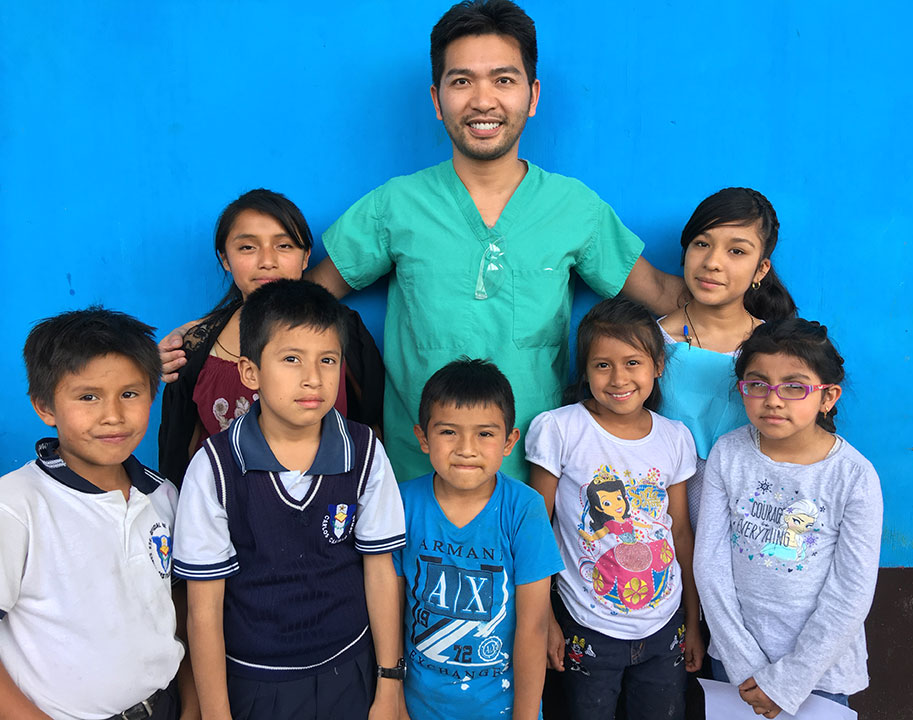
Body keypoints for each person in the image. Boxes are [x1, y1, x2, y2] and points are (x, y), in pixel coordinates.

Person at [301, 0, 685, 482]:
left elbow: (668, 298)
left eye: (504, 80)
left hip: (532, 484)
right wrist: (210, 336)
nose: (483, 100)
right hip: (415, 482)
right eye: (462, 81)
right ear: (437, 100)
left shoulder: (574, 208)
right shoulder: (395, 206)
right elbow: (303, 302)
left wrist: (754, 302)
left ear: (533, 95)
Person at [171, 279, 406, 720]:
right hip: (253, 681)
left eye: (327, 360)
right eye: (291, 359)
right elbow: (203, 609)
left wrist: (389, 684)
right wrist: (216, 714)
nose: (312, 378)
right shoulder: (215, 466)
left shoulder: (365, 451)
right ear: (250, 372)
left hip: (350, 670)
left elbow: (380, 571)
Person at [0, 308, 195, 720]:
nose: (113, 415)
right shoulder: (16, 505)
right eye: (88, 397)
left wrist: (192, 705)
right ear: (45, 406)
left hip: (165, 706)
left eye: (130, 393)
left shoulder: (163, 495)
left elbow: (180, 606)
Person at [525, 297, 703, 720]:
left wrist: (693, 621)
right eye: (602, 364)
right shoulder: (560, 430)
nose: (618, 377)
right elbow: (535, 526)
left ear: (658, 365)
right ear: (584, 370)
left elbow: (679, 534)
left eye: (633, 362)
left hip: (665, 627)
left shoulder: (675, 438)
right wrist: (545, 620)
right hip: (586, 626)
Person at [694, 319, 882, 717]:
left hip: (819, 675)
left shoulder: (853, 475)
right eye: (757, 384)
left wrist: (788, 680)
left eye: (794, 387)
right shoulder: (728, 455)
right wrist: (746, 667)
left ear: (828, 396)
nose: (773, 400)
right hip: (735, 667)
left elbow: (851, 592)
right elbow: (709, 565)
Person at [158, 188, 384, 487]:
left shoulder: (344, 330)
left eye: (285, 246)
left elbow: (373, 426)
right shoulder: (197, 345)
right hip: (226, 511)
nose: (267, 261)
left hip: (327, 507)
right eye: (247, 248)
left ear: (305, 257)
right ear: (225, 259)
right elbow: (182, 448)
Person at [393, 358, 563, 719]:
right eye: (448, 432)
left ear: (509, 440)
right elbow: (389, 612)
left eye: (485, 433)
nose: (466, 448)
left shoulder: (524, 508)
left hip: (500, 708)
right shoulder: (402, 504)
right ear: (423, 438)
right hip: (417, 706)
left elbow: (533, 627)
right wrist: (393, 700)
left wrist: (526, 715)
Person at [657, 187, 796, 532]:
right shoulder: (650, 344)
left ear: (761, 269)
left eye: (736, 250)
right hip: (661, 522)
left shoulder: (777, 351)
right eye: (702, 244)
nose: (713, 262)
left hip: (751, 521)